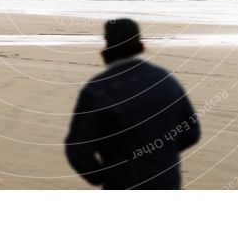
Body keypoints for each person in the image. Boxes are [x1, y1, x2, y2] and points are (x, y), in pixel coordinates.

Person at [64, 18, 200, 189]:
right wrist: (162, 154)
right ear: (139, 42)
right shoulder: (166, 80)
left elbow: (77, 149)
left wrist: (102, 176)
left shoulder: (98, 90)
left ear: (108, 44)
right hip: (166, 181)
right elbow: (192, 132)